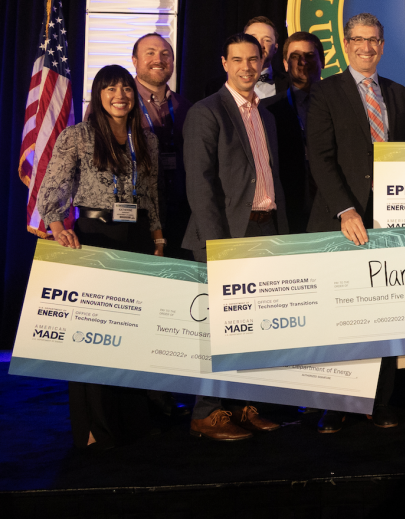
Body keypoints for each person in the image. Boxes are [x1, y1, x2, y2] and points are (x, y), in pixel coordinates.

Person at [38, 65, 164, 450]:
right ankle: (93, 426)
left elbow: (151, 193)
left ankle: (130, 422)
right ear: (98, 94)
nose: (120, 95)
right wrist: (58, 227)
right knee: (93, 338)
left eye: (126, 88)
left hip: (138, 238)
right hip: (95, 238)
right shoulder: (76, 136)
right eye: (110, 88)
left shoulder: (145, 138)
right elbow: (51, 191)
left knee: (132, 336)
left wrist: (158, 236)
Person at [306, 13, 405, 431]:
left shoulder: (399, 95)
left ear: (382, 46)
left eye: (374, 40)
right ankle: (336, 402)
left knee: (384, 312)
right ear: (345, 44)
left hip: (390, 220)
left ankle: (378, 401)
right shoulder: (325, 92)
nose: (366, 47)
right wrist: (346, 209)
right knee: (342, 315)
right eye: (358, 40)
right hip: (343, 220)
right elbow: (320, 156)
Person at [181, 33, 289, 441]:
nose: (247, 66)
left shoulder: (267, 116)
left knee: (251, 328)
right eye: (238, 59)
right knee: (215, 330)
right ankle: (206, 412)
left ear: (262, 63)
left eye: (253, 59)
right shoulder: (206, 112)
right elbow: (200, 185)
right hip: (223, 238)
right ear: (224, 63)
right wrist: (218, 247)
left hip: (264, 232)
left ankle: (242, 405)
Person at [130, 33, 191, 259]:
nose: (159, 59)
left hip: (180, 217)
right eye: (150, 53)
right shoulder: (116, 103)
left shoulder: (187, 107)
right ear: (134, 60)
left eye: (166, 54)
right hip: (135, 219)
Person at [262, 30, 321, 235]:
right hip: (286, 210)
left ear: (322, 61)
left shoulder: (341, 106)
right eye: (295, 57)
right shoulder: (268, 110)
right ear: (286, 64)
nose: (302, 62)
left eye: (310, 56)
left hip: (330, 207)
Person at [244, 16, 280, 102]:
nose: (259, 45)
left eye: (267, 40)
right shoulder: (215, 87)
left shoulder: (290, 85)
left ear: (275, 48)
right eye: (253, 38)